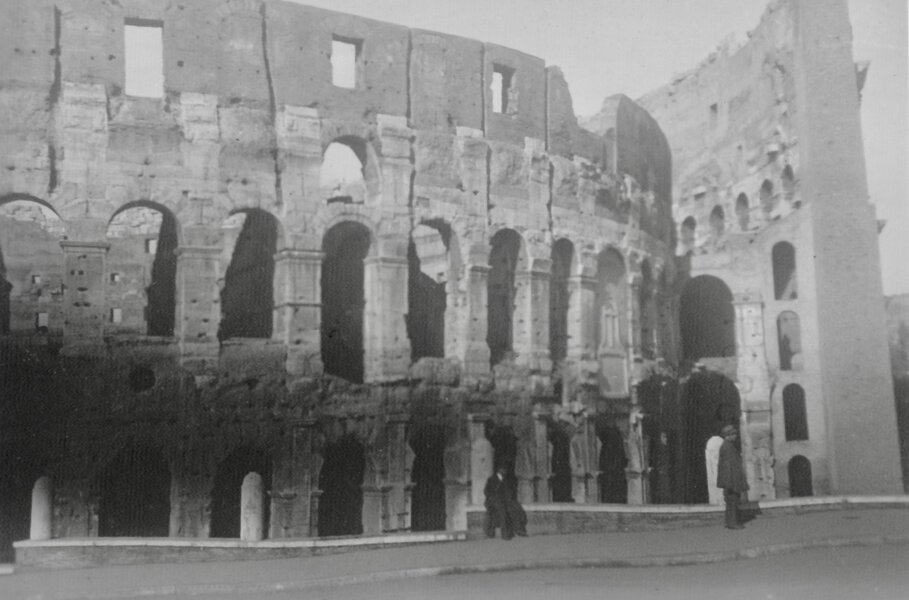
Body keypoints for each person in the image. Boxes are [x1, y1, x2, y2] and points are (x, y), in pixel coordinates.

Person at [716, 424, 748, 529]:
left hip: (730, 480)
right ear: (728, 435)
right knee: (733, 501)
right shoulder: (727, 447)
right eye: (733, 434)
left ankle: (729, 522)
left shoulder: (727, 446)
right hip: (731, 481)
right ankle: (733, 523)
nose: (735, 436)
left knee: (731, 502)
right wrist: (730, 483)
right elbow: (727, 467)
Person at [483, 466, 527, 539]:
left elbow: (508, 492)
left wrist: (509, 499)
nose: (504, 472)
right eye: (502, 470)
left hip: (504, 501)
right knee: (503, 512)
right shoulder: (491, 480)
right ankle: (506, 534)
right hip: (493, 501)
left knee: (516, 509)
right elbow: (487, 491)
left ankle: (519, 529)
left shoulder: (506, 480)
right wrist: (494, 498)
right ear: (499, 471)